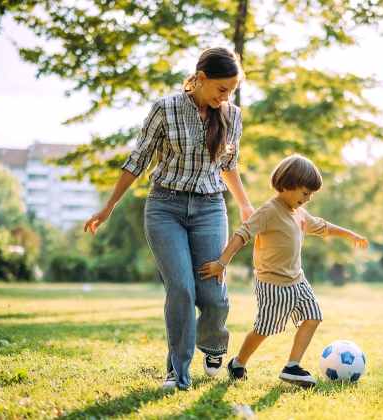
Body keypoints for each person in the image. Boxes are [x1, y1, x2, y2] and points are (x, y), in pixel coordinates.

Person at [84, 47, 254, 391]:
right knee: (180, 289)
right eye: (222, 89)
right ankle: (178, 374)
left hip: (209, 208)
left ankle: (213, 344)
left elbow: (228, 166)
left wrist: (245, 206)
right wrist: (109, 205)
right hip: (166, 207)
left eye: (232, 90)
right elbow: (138, 159)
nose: (227, 97)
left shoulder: (232, 115)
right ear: (201, 79)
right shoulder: (165, 108)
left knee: (214, 295)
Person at [198, 154, 369, 388]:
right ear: (287, 185)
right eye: (305, 193)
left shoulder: (298, 212)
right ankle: (238, 362)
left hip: (297, 280)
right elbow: (242, 235)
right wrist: (222, 263)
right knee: (264, 328)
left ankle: (292, 366)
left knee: (313, 317)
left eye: (310, 195)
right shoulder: (269, 211)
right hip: (272, 284)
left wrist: (350, 234)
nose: (308, 199)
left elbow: (322, 226)